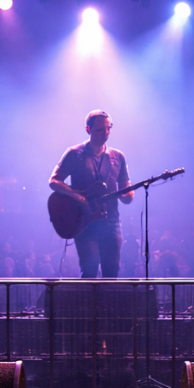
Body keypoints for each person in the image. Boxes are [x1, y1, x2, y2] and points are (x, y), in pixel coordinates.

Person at [49, 110, 134, 278]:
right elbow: (54, 181)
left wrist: (127, 195)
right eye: (100, 130)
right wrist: (74, 195)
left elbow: (127, 193)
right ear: (88, 129)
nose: (106, 133)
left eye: (108, 128)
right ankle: (87, 304)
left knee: (112, 271)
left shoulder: (117, 157)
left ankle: (107, 305)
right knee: (90, 269)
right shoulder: (74, 153)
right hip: (84, 221)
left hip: (111, 221)